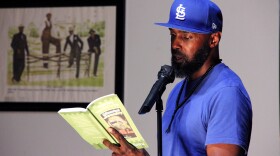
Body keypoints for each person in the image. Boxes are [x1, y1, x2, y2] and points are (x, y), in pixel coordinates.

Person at [103, 0, 252, 156]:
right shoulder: (177, 91)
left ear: (213, 39)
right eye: (173, 35)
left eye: (186, 37)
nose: (175, 44)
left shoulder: (226, 94)